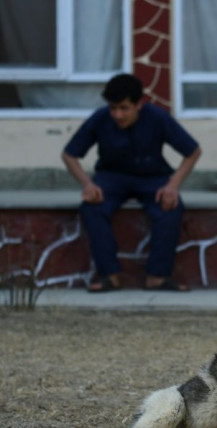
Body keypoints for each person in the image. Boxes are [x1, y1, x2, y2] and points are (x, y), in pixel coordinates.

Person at [62, 73, 202, 292]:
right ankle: (109, 275)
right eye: (113, 108)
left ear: (139, 104)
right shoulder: (100, 118)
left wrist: (172, 185)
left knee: (170, 208)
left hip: (152, 178)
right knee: (92, 207)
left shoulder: (157, 117)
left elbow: (193, 151)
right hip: (111, 178)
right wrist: (87, 184)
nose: (117, 114)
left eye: (124, 108)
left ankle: (157, 276)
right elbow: (69, 155)